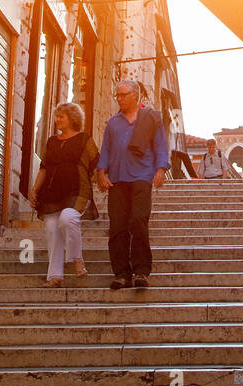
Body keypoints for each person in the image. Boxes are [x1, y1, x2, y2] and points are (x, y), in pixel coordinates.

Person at [96, 80, 168, 290]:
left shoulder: (151, 118)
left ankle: (141, 272)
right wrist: (101, 172)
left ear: (135, 95)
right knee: (117, 226)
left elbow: (160, 146)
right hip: (117, 179)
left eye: (123, 95)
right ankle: (121, 273)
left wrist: (161, 169)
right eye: (117, 95)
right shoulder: (113, 123)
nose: (119, 99)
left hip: (142, 177)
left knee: (138, 221)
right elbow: (106, 150)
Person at [29, 102, 99, 288]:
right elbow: (44, 168)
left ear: (72, 118)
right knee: (52, 229)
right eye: (56, 116)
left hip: (77, 190)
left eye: (61, 116)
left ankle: (77, 258)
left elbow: (96, 162)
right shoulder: (52, 142)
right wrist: (35, 190)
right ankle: (55, 276)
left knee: (67, 219)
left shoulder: (85, 139)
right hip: (52, 192)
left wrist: (102, 179)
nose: (57, 119)